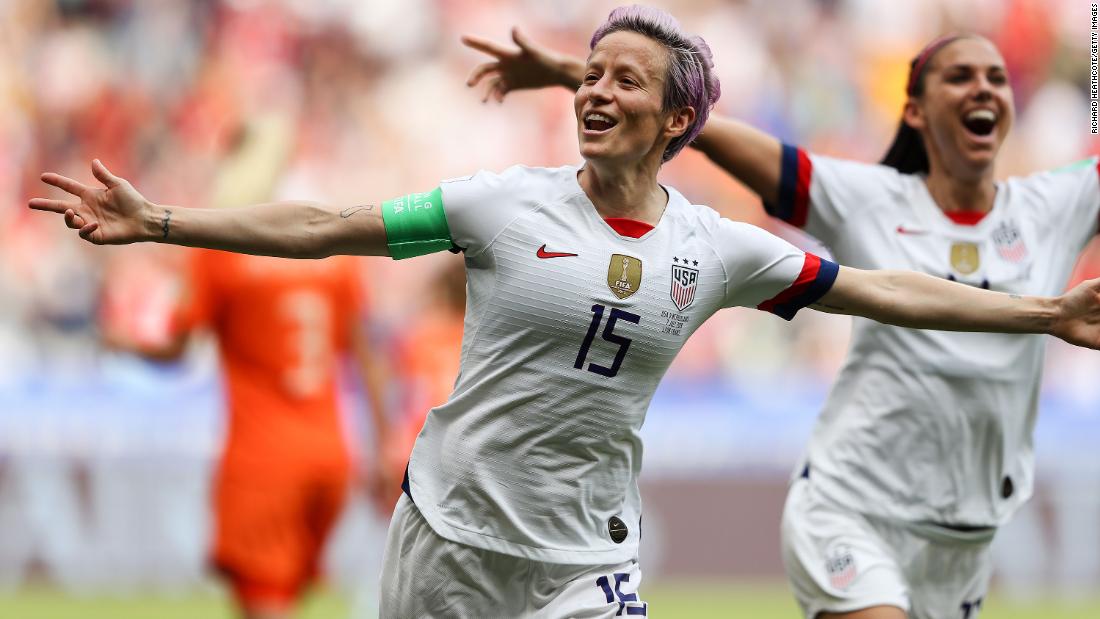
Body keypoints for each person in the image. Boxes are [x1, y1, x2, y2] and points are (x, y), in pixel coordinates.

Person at [29, 7, 1100, 617]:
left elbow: (880, 290)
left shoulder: (712, 248)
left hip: (585, 555)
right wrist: (163, 220)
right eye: (588, 73)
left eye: (624, 80)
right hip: (446, 533)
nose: (593, 90)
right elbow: (324, 224)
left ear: (676, 117)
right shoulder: (498, 205)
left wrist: (1040, 312)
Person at [462, 26, 1100, 619]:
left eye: (996, 77)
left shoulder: (1057, 204)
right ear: (915, 110)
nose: (983, 88)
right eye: (960, 76)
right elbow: (700, 125)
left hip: (968, 534)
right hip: (853, 510)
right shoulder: (867, 197)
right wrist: (581, 74)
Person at [99, 117, 395, 619]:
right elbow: (366, 354)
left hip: (262, 462)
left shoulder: (222, 252)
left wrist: (118, 340)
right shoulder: (337, 255)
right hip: (331, 457)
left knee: (262, 603)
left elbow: (175, 348)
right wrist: (386, 442)